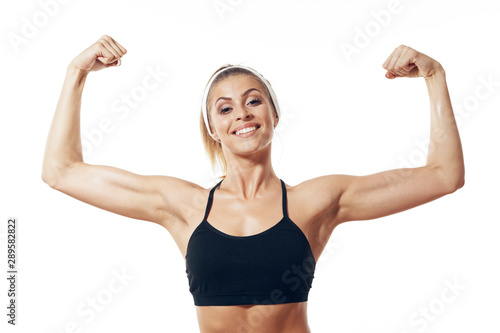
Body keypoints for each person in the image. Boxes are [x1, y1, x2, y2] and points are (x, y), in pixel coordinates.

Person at [41, 35, 465, 333]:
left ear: (273, 116)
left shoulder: (315, 201)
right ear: (213, 128)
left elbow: (443, 176)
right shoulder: (182, 206)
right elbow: (61, 171)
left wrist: (435, 76)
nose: (241, 113)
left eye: (253, 100)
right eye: (224, 108)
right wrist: (76, 72)